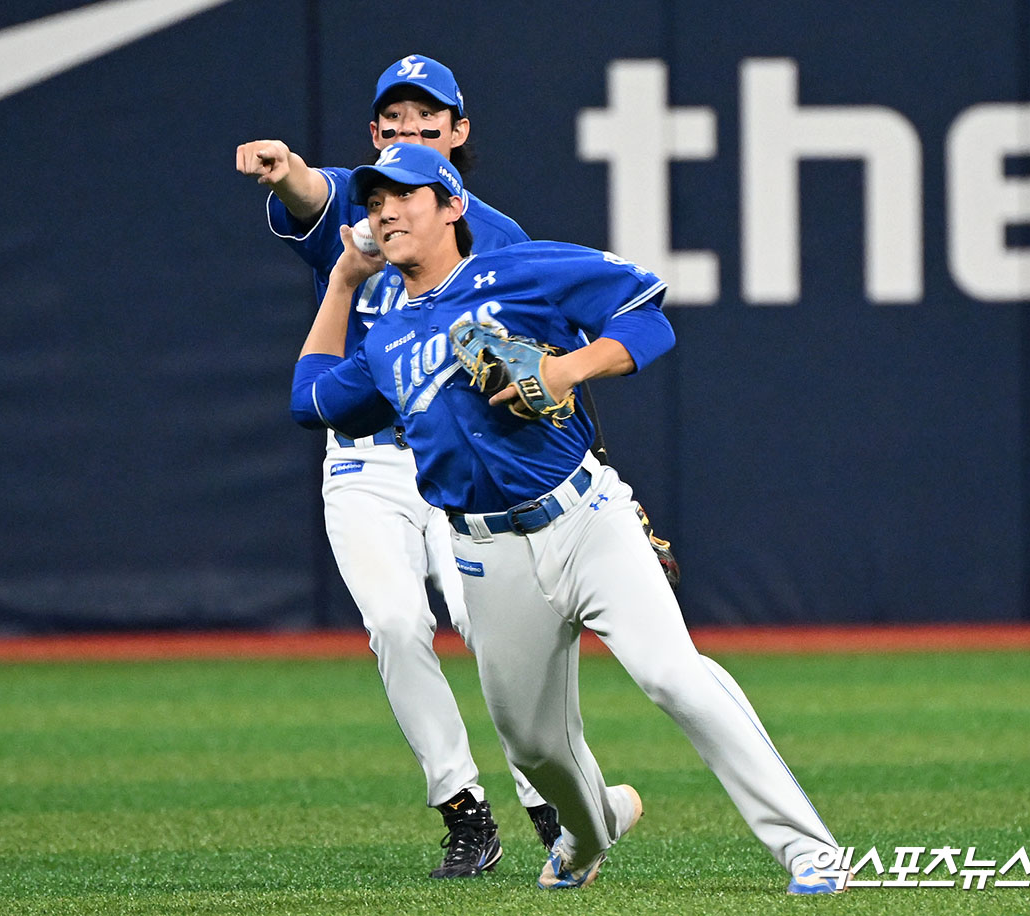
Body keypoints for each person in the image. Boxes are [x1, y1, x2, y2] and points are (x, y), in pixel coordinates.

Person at [288, 144, 844, 893]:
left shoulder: (520, 270)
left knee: (674, 677)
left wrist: (566, 368)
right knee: (534, 743)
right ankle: (588, 835)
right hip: (486, 555)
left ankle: (811, 851)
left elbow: (646, 317)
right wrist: (342, 284)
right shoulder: (387, 339)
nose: (385, 210)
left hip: (586, 519)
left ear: (453, 205)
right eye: (374, 199)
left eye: (404, 195)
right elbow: (312, 401)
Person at [235, 54, 557, 878]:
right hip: (364, 467)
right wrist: (284, 175)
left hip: (461, 462)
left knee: (493, 630)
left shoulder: (501, 237)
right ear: (375, 133)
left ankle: (551, 796)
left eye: (427, 122)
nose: (411, 134)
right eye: (395, 123)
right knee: (396, 624)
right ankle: (462, 809)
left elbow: (529, 371)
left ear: (459, 132)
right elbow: (312, 189)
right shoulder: (355, 201)